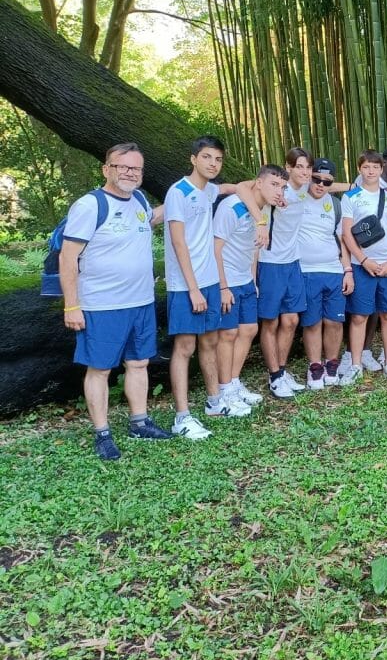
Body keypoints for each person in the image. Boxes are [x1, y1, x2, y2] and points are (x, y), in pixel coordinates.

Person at [60, 143, 170, 460]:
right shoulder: (89, 205)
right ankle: (103, 434)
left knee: (138, 363)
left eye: (135, 168)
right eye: (122, 167)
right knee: (100, 369)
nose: (129, 173)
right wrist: (72, 305)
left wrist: (192, 192)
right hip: (102, 305)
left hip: (140, 302)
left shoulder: (138, 199)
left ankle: (139, 422)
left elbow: (153, 217)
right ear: (106, 168)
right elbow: (68, 259)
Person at [165, 136, 264, 439]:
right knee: (185, 348)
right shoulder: (178, 192)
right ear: (193, 158)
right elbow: (179, 242)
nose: (213, 164)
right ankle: (181, 417)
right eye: (207, 157)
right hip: (186, 284)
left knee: (209, 342)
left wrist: (260, 222)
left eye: (218, 159)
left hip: (209, 280)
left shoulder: (209, 191)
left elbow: (246, 186)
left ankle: (214, 402)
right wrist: (193, 289)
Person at [212, 165, 288, 405]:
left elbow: (253, 249)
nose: (279, 192)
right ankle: (224, 390)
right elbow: (215, 249)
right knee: (228, 334)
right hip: (227, 281)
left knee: (249, 330)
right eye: (274, 185)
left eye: (283, 187)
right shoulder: (232, 207)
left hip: (244, 280)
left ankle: (233, 382)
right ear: (258, 183)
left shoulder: (262, 210)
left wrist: (253, 280)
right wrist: (223, 287)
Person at [340, 151, 387, 384]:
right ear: (360, 169)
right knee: (359, 316)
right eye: (366, 167)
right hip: (363, 266)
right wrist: (363, 260)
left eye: (375, 167)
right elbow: (347, 234)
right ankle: (356, 364)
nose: (370, 171)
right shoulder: (350, 197)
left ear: (381, 170)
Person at [257, 147, 313, 397]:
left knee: (291, 320)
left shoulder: (305, 188)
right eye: (299, 166)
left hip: (293, 262)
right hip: (270, 262)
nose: (304, 172)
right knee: (271, 321)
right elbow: (246, 188)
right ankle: (274, 375)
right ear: (288, 167)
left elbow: (331, 185)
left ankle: (281, 370)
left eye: (308, 167)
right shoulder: (277, 188)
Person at [297, 159, 355, 389]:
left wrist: (347, 271)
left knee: (334, 321)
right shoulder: (296, 198)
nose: (320, 185)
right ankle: (314, 366)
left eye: (326, 181)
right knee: (312, 322)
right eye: (316, 179)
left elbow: (342, 240)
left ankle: (331, 363)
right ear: (309, 176)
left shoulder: (336, 205)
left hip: (333, 270)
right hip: (306, 271)